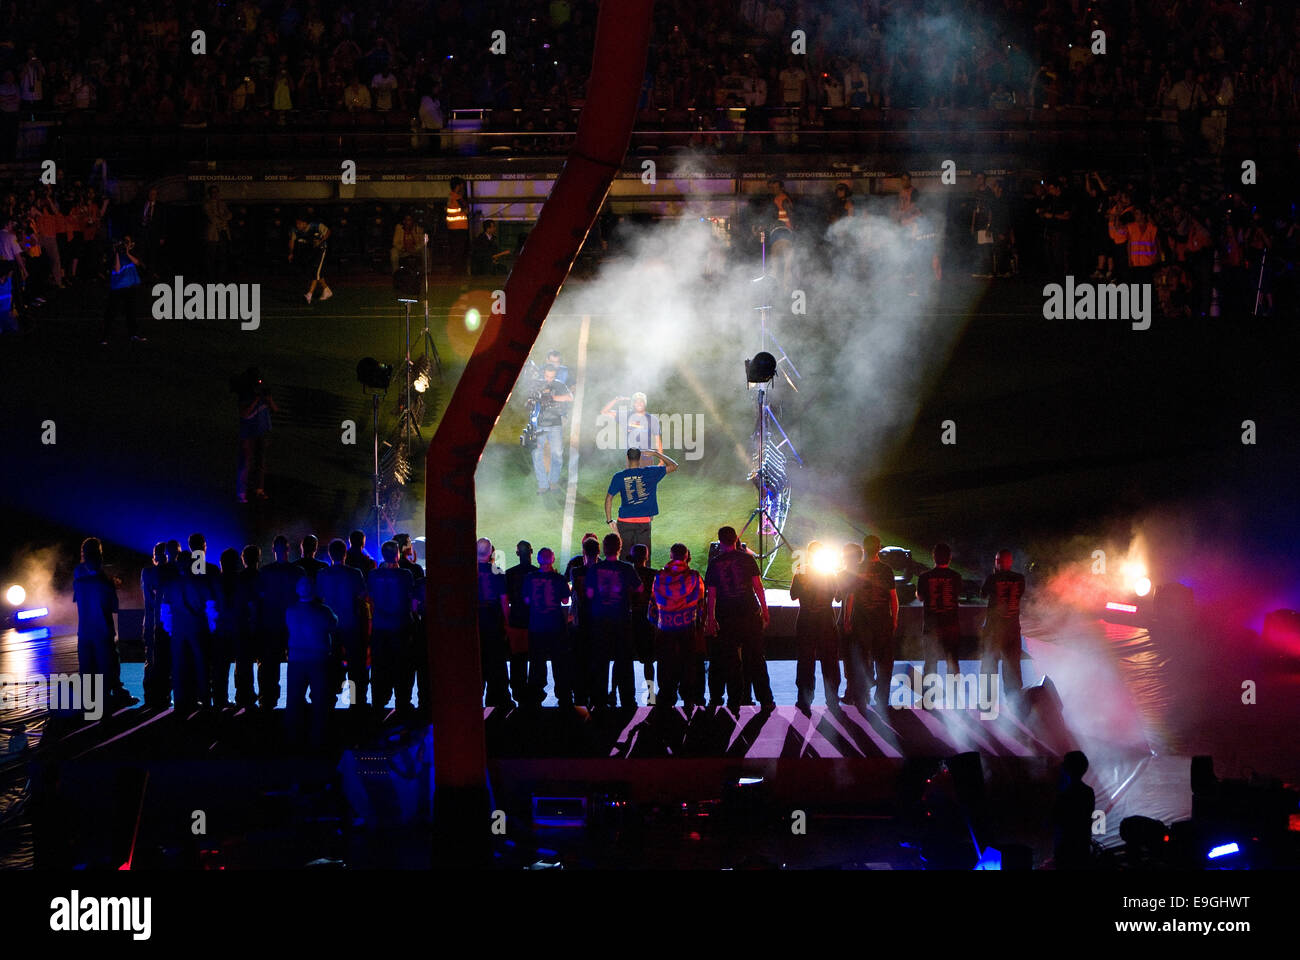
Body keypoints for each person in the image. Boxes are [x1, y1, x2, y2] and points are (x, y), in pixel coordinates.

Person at [704, 527, 772, 709]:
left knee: (730, 659)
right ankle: (765, 700)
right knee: (756, 658)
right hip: (749, 614)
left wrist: (711, 618)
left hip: (726, 617)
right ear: (736, 539)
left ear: (720, 542)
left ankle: (734, 700)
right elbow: (758, 587)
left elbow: (711, 594)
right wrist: (765, 610)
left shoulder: (715, 563)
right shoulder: (748, 559)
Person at [72, 537, 135, 709]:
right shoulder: (104, 580)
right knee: (109, 663)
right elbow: (114, 607)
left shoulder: (78, 573)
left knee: (87, 665)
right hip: (102, 629)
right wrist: (112, 586)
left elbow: (77, 598)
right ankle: (112, 695)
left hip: (84, 630)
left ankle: (89, 700)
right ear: (99, 554)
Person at [586, 532, 643, 709]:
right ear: (619, 548)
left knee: (600, 661)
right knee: (624, 661)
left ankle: (599, 699)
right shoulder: (627, 568)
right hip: (621, 620)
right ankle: (627, 699)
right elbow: (640, 589)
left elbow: (589, 594)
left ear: (604, 548)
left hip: (600, 620)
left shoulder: (594, 569)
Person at [841, 535, 898, 709]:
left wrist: (847, 619)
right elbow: (893, 598)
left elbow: (850, 597)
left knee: (860, 660)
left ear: (864, 548)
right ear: (879, 548)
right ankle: (881, 699)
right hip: (882, 622)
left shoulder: (857, 569)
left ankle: (861, 697)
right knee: (884, 663)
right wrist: (894, 619)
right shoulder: (886, 570)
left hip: (861, 622)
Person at [165, 533, 219, 715]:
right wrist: (212, 627)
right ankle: (205, 700)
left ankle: (180, 702)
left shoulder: (171, 584)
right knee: (201, 665)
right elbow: (211, 606)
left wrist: (169, 629)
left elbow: (165, 610)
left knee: (179, 666)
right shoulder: (201, 582)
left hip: (178, 630)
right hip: (198, 628)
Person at [368, 539, 418, 721]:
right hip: (401, 626)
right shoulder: (405, 574)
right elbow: (412, 598)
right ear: (397, 554)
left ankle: (378, 705)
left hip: (380, 626)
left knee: (380, 667)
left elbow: (369, 597)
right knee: (403, 667)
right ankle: (402, 703)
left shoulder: (373, 575)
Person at [317, 538, 370, 711]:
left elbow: (319, 597)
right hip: (351, 624)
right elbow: (363, 595)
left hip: (330, 626)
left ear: (330, 554)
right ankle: (354, 701)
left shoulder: (323, 574)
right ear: (345, 554)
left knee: (331, 663)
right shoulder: (354, 573)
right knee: (355, 665)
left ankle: (330, 700)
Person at [285, 575, 337, 748]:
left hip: (296, 660)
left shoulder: (290, 610)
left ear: (297, 590)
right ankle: (319, 740)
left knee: (294, 700)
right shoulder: (324, 611)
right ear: (314, 590)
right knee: (320, 701)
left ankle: (293, 740)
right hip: (319, 659)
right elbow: (334, 625)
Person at [789, 540, 841, 711]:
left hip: (806, 620)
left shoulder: (800, 572)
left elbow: (793, 595)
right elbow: (838, 597)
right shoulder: (830, 573)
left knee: (805, 660)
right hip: (826, 620)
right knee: (830, 661)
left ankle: (804, 699)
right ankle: (832, 699)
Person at [651, 542, 703, 709]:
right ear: (687, 556)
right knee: (688, 661)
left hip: (665, 626)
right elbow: (701, 601)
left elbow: (653, 602)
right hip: (687, 625)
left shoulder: (659, 576)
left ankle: (666, 695)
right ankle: (688, 696)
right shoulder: (694, 577)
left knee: (665, 662)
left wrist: (657, 620)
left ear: (671, 556)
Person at [605, 447, 677, 564]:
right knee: (643, 559)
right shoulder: (650, 472)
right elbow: (674, 466)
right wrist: (656, 454)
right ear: (640, 459)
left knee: (625, 560)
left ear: (627, 458)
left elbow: (609, 498)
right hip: (643, 523)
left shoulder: (619, 476)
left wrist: (609, 521)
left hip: (624, 522)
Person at [255, 535, 301, 713]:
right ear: (288, 550)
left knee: (269, 665)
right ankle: (295, 700)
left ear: (273, 550)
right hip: (292, 623)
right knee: (295, 663)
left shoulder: (265, 572)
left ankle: (267, 700)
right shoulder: (297, 572)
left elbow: (259, 600)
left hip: (271, 623)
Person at [523, 548, 572, 708]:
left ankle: (535, 695)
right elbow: (565, 600)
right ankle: (563, 695)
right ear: (552, 560)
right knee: (560, 663)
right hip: (556, 626)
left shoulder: (529, 578)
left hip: (536, 626)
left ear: (538, 560)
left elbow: (527, 600)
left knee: (537, 663)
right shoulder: (559, 578)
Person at [979, 549, 1027, 708]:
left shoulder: (992, 578)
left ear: (998, 562)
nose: (996, 563)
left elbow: (982, 594)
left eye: (997, 561)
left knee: (989, 664)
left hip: (994, 631)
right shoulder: (1020, 579)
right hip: (1012, 629)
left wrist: (995, 575)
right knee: (1012, 666)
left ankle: (988, 701)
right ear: (1010, 562)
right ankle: (1016, 701)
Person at [917, 543, 963, 683]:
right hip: (951, 627)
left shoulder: (924, 577)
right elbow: (957, 595)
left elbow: (920, 597)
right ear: (949, 558)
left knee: (930, 662)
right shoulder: (956, 576)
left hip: (931, 627)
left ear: (934, 557)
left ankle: (929, 693)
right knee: (952, 661)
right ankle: (955, 693)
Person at [476, 538, 513, 709]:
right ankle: (499, 700)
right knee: (496, 663)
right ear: (490, 552)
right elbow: (504, 601)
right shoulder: (496, 571)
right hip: (493, 624)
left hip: (476, 624)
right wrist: (507, 623)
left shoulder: (468, 571)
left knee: (477, 663)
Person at [567, 534, 601, 708]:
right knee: (597, 659)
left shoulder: (576, 571)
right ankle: (597, 695)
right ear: (598, 552)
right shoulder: (602, 570)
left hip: (580, 621)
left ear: (583, 552)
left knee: (580, 659)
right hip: (597, 621)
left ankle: (580, 695)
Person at [234, 367, 277, 503]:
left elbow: (275, 409)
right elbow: (244, 414)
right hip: (248, 433)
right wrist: (255, 400)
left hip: (262, 431)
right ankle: (241, 493)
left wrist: (269, 399)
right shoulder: (245, 395)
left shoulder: (263, 394)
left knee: (261, 462)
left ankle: (259, 490)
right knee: (246, 462)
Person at [529, 363, 573, 494]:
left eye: (552, 377)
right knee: (537, 454)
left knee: (557, 455)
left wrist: (552, 397)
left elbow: (570, 397)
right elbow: (530, 400)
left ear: (555, 375)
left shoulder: (559, 385)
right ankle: (543, 484)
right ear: (544, 374)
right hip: (539, 425)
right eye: (547, 376)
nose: (549, 379)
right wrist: (539, 396)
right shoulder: (537, 384)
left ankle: (553, 482)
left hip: (555, 424)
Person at [139, 542, 173, 710]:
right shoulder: (169, 572)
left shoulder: (146, 572)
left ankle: (150, 698)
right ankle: (163, 697)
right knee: (165, 661)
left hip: (149, 622)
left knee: (151, 661)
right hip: (163, 623)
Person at [504, 540, 537, 704]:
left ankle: (518, 690)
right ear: (531, 552)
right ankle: (535, 690)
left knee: (518, 658)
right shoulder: (537, 573)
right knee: (536, 657)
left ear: (517, 554)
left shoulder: (509, 574)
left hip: (517, 620)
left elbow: (506, 599)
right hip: (535, 621)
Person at [1053, 750, 1096, 869]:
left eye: (1064, 763)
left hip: (1066, 848)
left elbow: (1056, 819)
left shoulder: (1064, 793)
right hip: (1082, 847)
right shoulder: (1088, 792)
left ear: (1067, 768)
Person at [101, 235, 146, 344]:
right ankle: (105, 337)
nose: (125, 244)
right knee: (111, 313)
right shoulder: (114, 255)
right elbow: (117, 269)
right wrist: (117, 253)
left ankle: (134, 335)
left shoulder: (133, 253)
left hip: (130, 288)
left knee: (131, 312)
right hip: (117, 288)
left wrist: (127, 253)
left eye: (127, 242)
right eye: (124, 242)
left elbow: (137, 263)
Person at [629, 543, 657, 705]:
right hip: (647, 620)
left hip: (630, 619)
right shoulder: (653, 574)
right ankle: (651, 693)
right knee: (648, 661)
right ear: (646, 556)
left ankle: (622, 693)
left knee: (625, 659)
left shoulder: (627, 572)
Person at [598, 391, 663, 457]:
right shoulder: (626, 415)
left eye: (641, 401)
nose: (639, 404)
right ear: (633, 404)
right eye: (636, 402)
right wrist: (616, 400)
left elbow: (658, 441)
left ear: (645, 403)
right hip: (631, 458)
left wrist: (662, 460)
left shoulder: (652, 419)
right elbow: (604, 412)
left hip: (647, 458)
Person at [288, 214, 332, 303]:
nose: (298, 225)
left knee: (315, 271)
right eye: (297, 223)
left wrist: (320, 241)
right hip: (310, 251)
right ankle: (326, 290)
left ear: (305, 223)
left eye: (299, 223)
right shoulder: (295, 230)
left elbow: (328, 231)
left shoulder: (316, 226)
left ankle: (309, 294)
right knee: (316, 271)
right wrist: (291, 253)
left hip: (321, 249)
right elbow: (292, 240)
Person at [445, 176, 471, 277]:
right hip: (460, 227)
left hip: (451, 227)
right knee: (460, 250)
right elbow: (466, 210)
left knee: (454, 249)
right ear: (458, 186)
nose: (463, 187)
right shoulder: (458, 197)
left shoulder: (450, 196)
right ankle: (458, 271)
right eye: (461, 185)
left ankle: (454, 270)